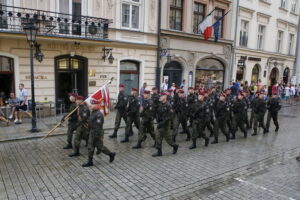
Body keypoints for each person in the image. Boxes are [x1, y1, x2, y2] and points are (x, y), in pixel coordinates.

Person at [82, 99, 116, 167]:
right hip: (92, 132)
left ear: (98, 105)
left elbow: (98, 125)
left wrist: (93, 131)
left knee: (100, 147)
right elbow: (90, 121)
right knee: (91, 146)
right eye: (91, 104)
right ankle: (90, 161)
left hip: (96, 133)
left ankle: (111, 154)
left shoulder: (99, 114)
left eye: (93, 104)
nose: (91, 105)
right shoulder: (93, 112)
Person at [152, 92, 179, 157]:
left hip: (165, 125)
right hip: (160, 124)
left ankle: (175, 146)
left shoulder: (168, 105)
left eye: (161, 96)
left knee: (168, 139)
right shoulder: (160, 104)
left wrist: (162, 123)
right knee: (158, 136)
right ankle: (159, 152)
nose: (160, 97)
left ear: (165, 97)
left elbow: (170, 116)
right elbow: (157, 112)